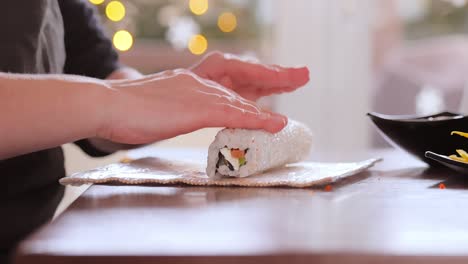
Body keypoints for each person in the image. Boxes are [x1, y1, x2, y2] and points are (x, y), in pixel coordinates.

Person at [0, 0, 309, 262]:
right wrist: (117, 102)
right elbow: (101, 98)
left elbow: (94, 70)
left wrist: (177, 94)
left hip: (34, 242)